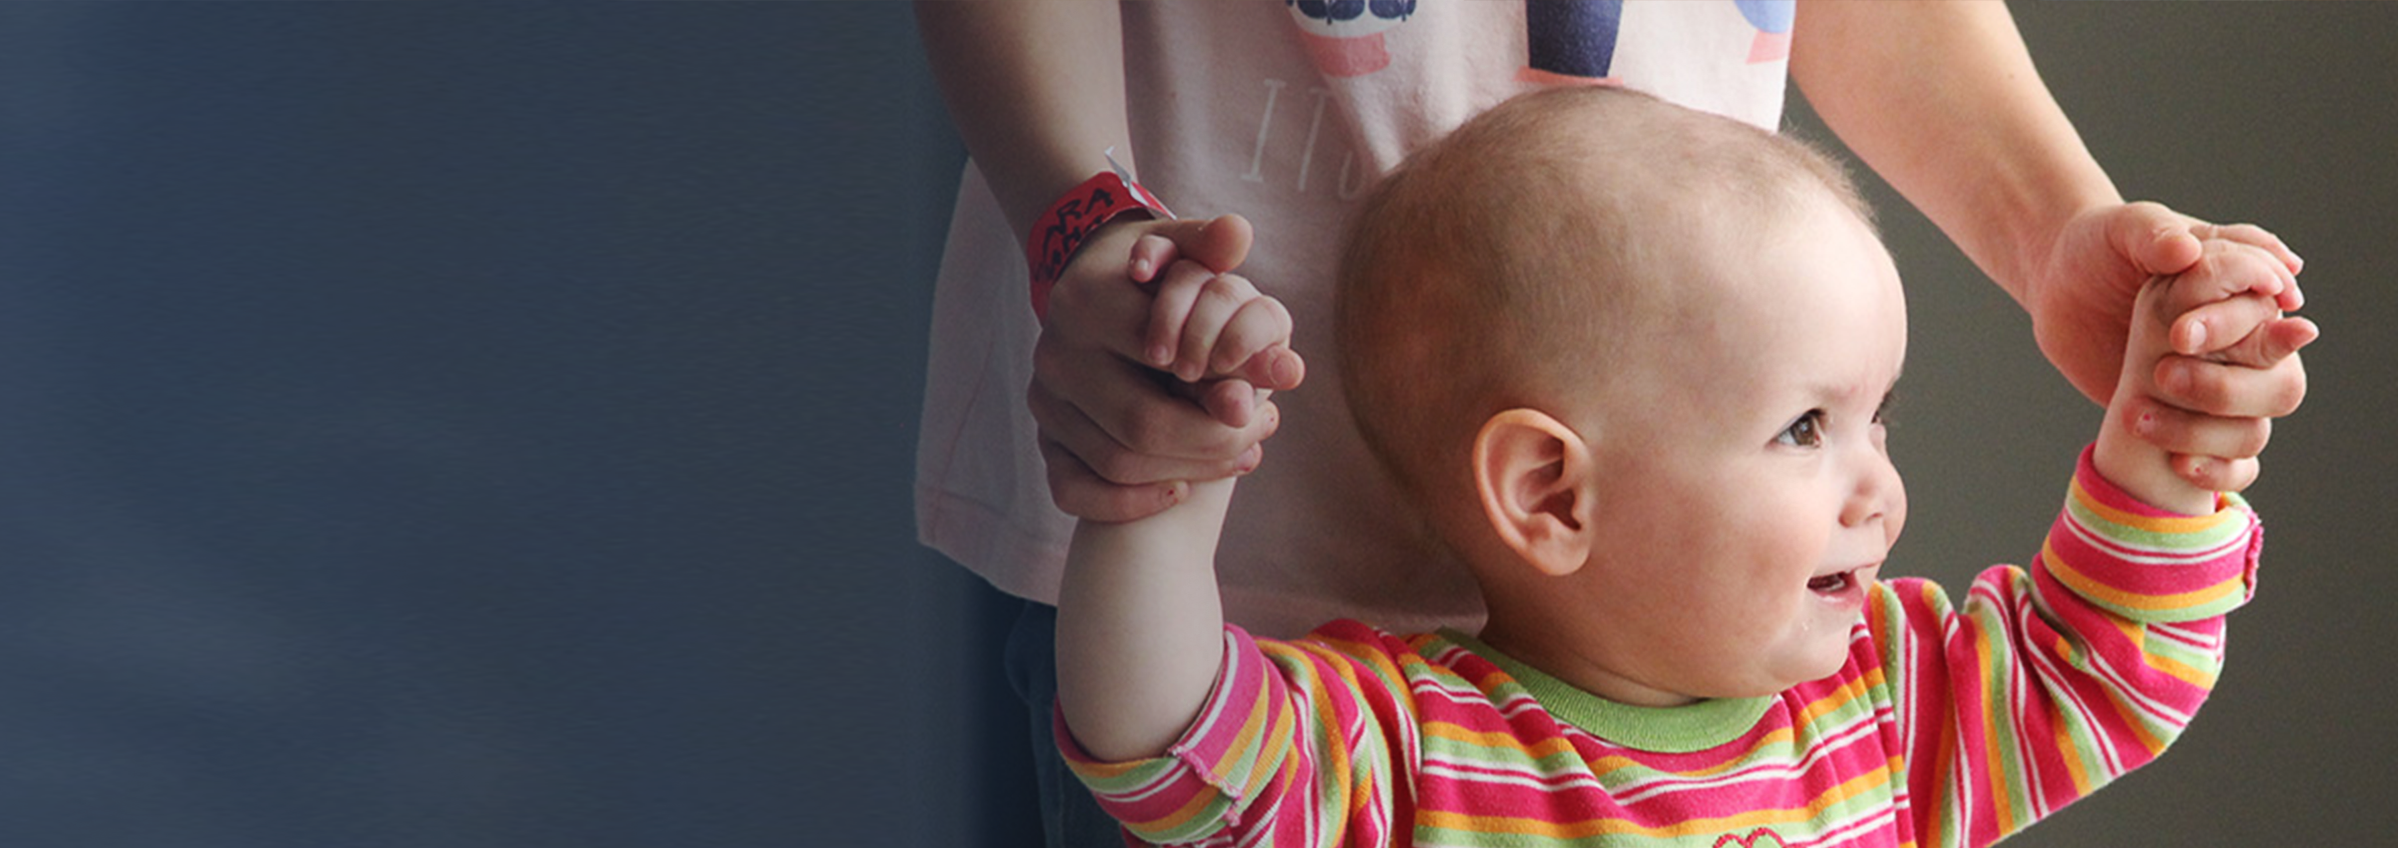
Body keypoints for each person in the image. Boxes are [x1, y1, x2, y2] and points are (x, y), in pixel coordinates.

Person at [911, 4, 2311, 842]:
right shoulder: (1399, 756)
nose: (1881, 495)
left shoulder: (1877, 716)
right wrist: (1167, 483)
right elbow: (1170, 749)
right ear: (1551, 493)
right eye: (1809, 429)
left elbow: (2101, 665)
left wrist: (2168, 443)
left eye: (1877, 421)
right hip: (1225, 497)